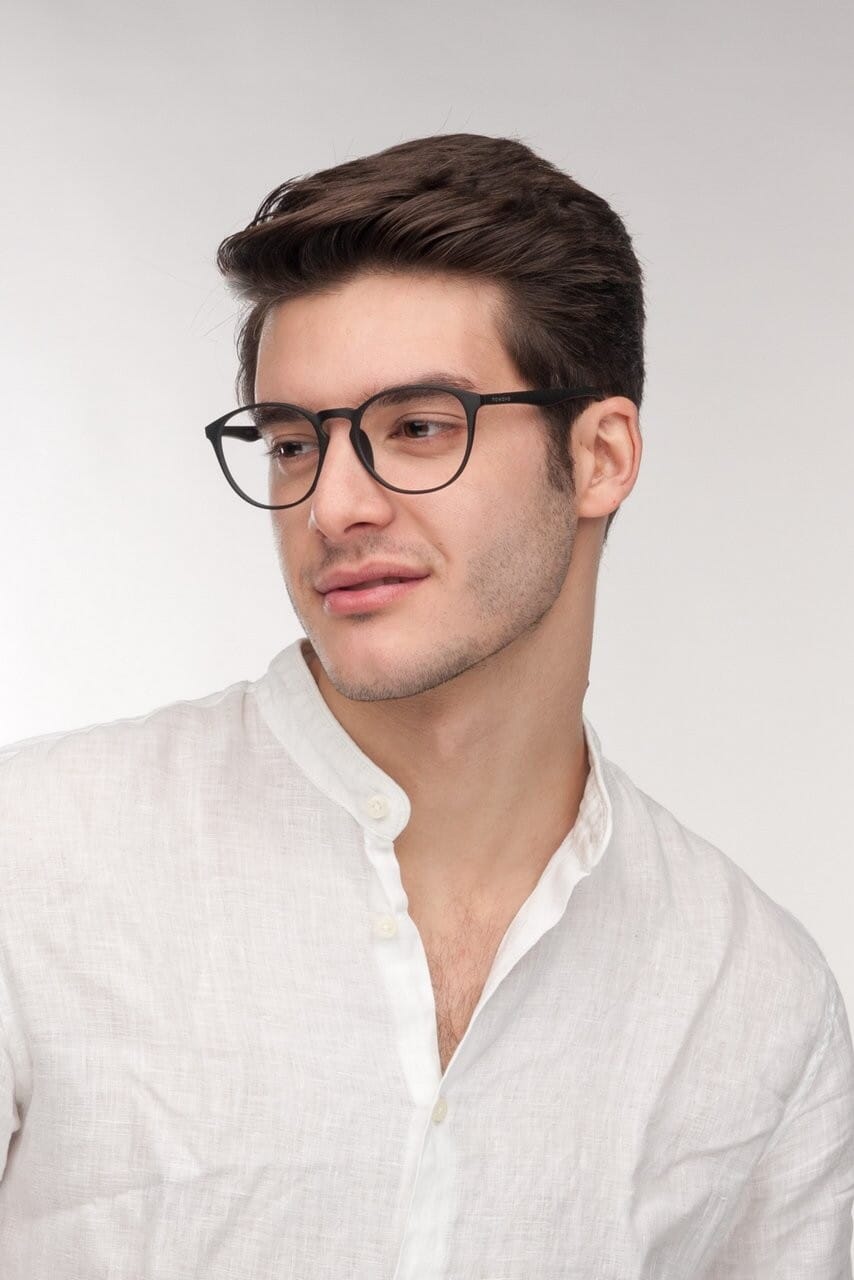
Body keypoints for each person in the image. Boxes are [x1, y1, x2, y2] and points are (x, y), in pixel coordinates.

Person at [0, 133, 852, 1278]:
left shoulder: (750, 1001)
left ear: (599, 455)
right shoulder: (34, 865)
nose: (331, 505)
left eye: (415, 427)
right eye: (292, 441)